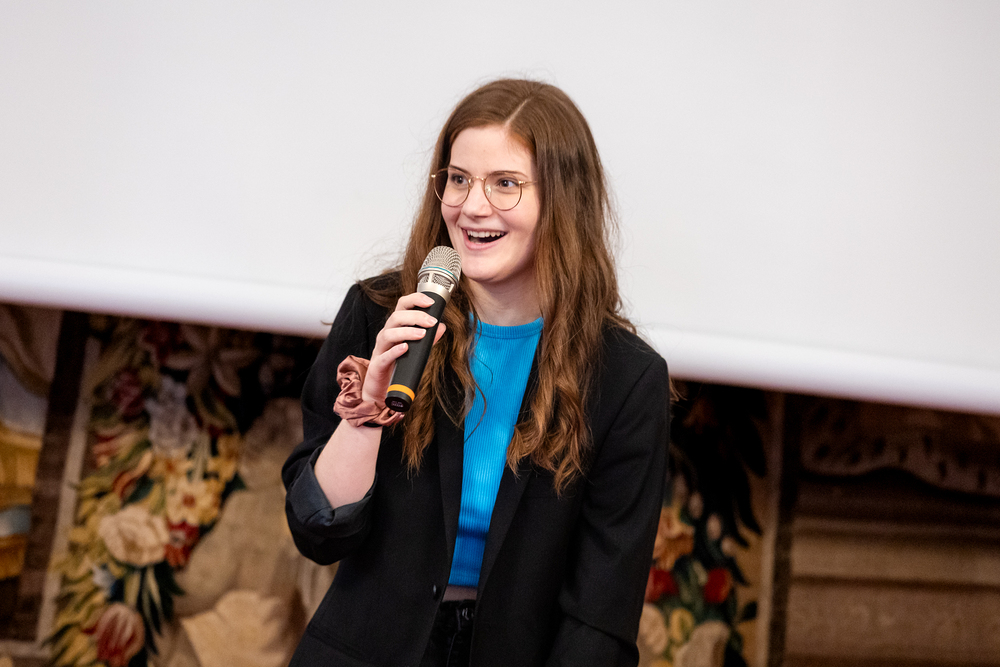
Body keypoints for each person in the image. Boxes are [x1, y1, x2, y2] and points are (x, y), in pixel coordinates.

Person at [282, 78, 670, 667]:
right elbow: (317, 533)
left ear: (562, 201)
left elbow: (600, 613)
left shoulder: (623, 378)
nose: (472, 206)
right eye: (458, 179)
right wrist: (365, 418)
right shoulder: (381, 317)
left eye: (505, 184)